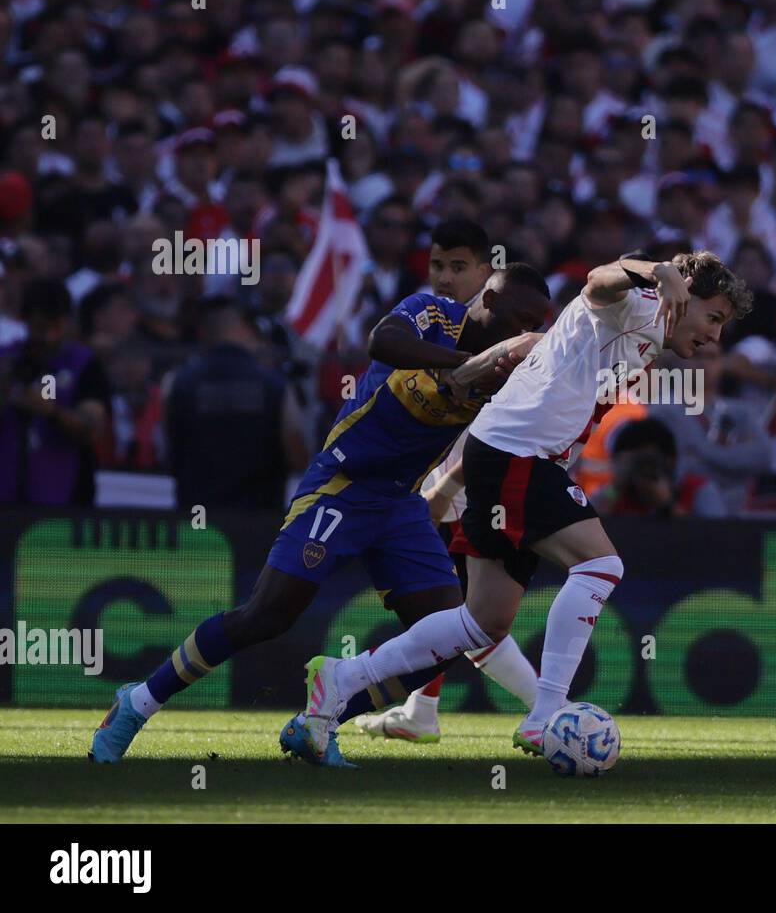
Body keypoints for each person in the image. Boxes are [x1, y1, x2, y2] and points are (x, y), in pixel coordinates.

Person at [295, 250, 751, 761]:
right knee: (601, 565)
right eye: (712, 318)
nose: (715, 336)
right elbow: (600, 277)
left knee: (482, 622)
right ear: (684, 296)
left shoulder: (645, 329)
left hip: (508, 453)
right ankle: (544, 715)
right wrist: (661, 273)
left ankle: (342, 677)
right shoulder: (640, 303)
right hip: (519, 455)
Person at [90, 264, 551, 765]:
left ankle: (320, 719)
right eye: (518, 316)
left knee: (443, 636)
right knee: (267, 614)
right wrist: (464, 362)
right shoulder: (433, 313)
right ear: (486, 299)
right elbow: (382, 341)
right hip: (343, 485)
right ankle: (136, 703)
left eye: (535, 322)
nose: (524, 330)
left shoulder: (508, 377)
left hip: (400, 505)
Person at [353, 219, 540, 744]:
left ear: (487, 274)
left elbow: (494, 432)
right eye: (438, 265)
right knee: (451, 616)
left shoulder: (501, 341)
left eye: (459, 267)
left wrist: (446, 490)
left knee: (464, 621)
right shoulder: (431, 323)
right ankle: (423, 708)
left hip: (468, 493)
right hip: (439, 484)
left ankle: (551, 707)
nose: (444, 277)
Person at [165, 296, 309, 510]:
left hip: (198, 524)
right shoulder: (275, 384)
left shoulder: (177, 383)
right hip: (259, 519)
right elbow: (297, 451)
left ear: (204, 332)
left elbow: (170, 452)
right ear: (244, 329)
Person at [0, 278, 109, 505]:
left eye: (55, 327)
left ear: (67, 322)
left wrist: (50, 411)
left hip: (63, 507)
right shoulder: (6, 360)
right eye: (40, 328)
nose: (48, 336)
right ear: (24, 320)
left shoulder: (85, 364)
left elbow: (92, 429)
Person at [591, 417, 727, 517]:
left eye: (650, 460)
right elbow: (589, 526)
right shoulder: (615, 494)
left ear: (670, 460)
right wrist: (615, 487)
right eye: (637, 460)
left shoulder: (697, 490)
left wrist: (667, 505)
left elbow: (712, 538)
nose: (644, 466)